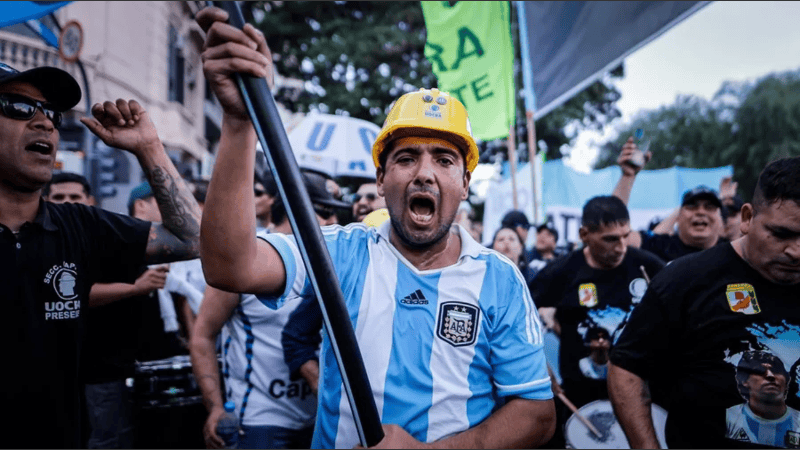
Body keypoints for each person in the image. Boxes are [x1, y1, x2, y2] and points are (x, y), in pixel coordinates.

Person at [195, 6, 555, 448]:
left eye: (444, 160)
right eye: (406, 158)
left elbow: (537, 414)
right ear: (382, 181)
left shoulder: (500, 279)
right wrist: (238, 123)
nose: (424, 173)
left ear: (464, 184)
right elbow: (230, 267)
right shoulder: (338, 251)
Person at [0, 60, 201, 448]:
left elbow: (193, 240)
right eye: (20, 108)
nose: (45, 124)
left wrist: (149, 148)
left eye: (52, 114)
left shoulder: (80, 226)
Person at [608, 157, 800, 448]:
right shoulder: (685, 279)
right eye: (781, 234)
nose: (796, 252)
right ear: (747, 218)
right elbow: (626, 368)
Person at [529, 195, 664, 446]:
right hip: (580, 399)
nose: (621, 247)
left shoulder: (647, 266)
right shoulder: (562, 271)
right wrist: (538, 365)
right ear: (584, 234)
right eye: (610, 239)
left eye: (625, 236)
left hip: (640, 395)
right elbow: (517, 314)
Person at [612, 137, 726, 262]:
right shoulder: (660, 247)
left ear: (721, 218)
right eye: (692, 206)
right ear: (678, 216)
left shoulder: (732, 253)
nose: (700, 212)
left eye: (709, 207)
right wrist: (628, 176)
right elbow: (614, 233)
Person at [725, 350, 800, 447]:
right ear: (744, 381)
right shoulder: (728, 417)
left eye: (776, 371)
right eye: (760, 371)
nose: (770, 375)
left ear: (786, 381)